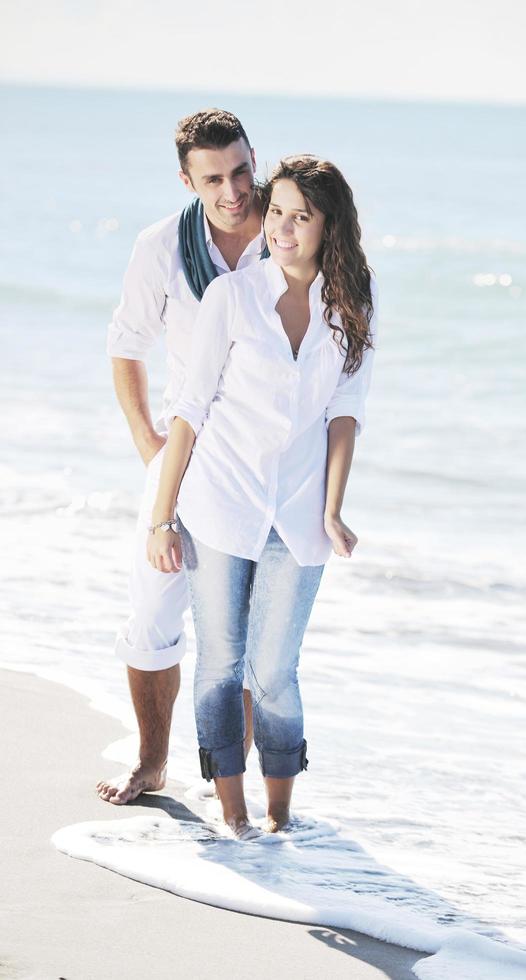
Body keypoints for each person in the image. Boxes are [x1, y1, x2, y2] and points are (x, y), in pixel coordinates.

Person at [146, 155, 377, 838]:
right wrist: (163, 518)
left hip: (300, 513)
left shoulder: (353, 303)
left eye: (300, 215)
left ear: (329, 225)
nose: (281, 227)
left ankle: (281, 821)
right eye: (275, 211)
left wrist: (333, 509)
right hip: (220, 502)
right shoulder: (234, 298)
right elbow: (189, 411)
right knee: (220, 664)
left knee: (274, 670)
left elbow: (346, 411)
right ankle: (235, 817)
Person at [97, 109, 263, 805]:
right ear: (187, 180)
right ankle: (151, 760)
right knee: (153, 615)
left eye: (242, 171)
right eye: (215, 179)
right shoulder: (162, 245)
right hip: (182, 461)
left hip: (261, 466)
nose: (233, 192)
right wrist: (148, 448)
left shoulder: (290, 231)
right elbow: (126, 343)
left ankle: (233, 783)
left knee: (251, 635)